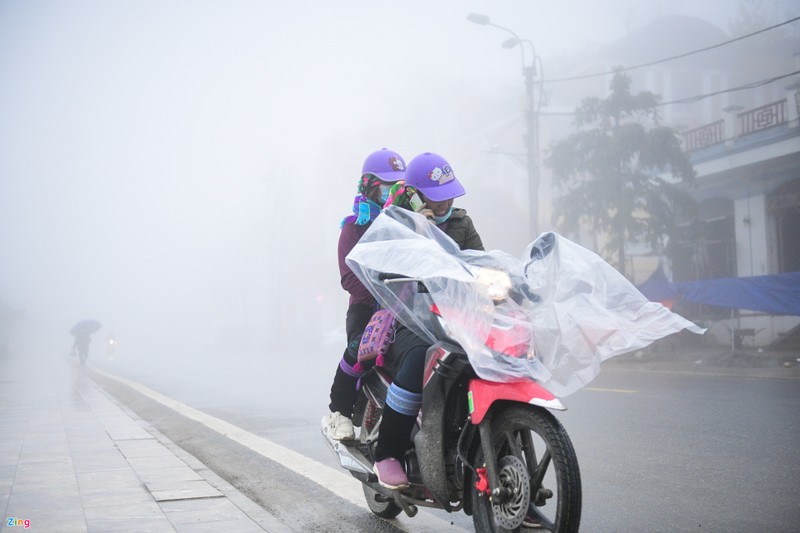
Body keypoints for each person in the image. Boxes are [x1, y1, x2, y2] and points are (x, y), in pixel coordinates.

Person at [371, 152, 484, 489]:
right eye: (438, 195)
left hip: (456, 318)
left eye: (450, 191)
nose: (447, 200)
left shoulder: (463, 223)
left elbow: (479, 261)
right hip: (409, 320)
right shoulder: (398, 222)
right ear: (418, 194)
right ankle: (387, 452)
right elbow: (383, 268)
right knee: (422, 355)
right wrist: (420, 229)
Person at [323, 148, 407, 441]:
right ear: (369, 184)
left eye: (397, 185)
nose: (390, 190)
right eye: (385, 184)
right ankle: (340, 412)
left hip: (408, 308)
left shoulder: (408, 223)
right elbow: (348, 276)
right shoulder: (353, 226)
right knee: (362, 350)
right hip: (366, 308)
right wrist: (382, 298)